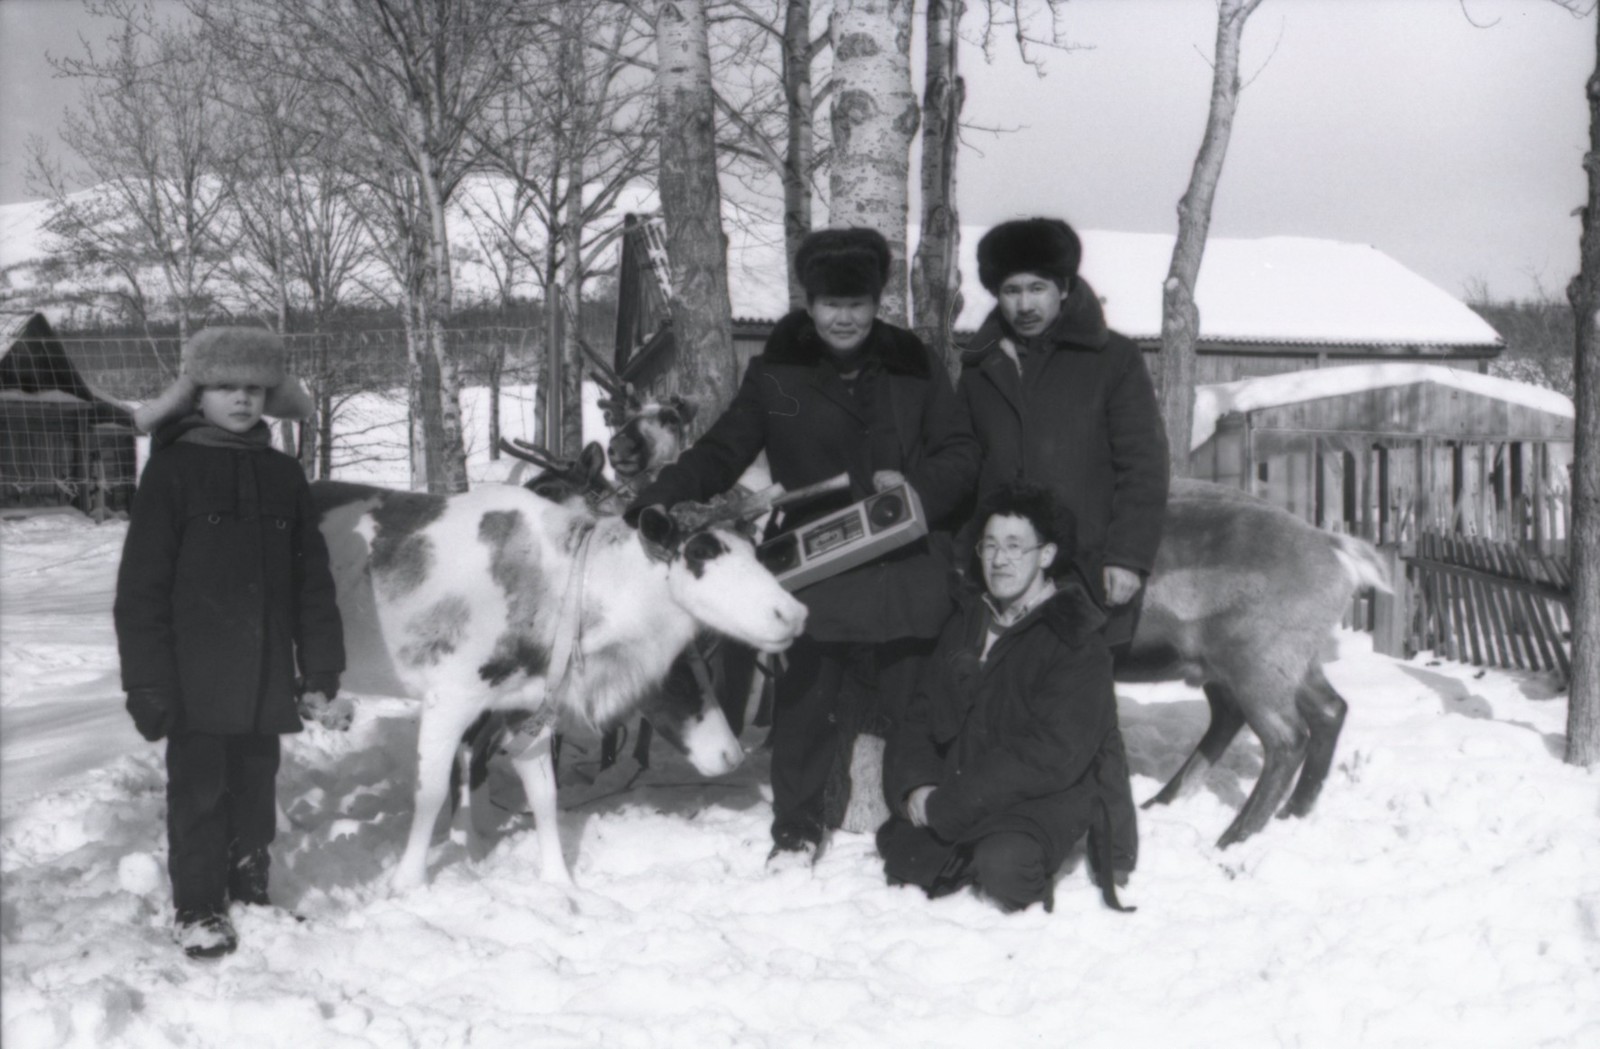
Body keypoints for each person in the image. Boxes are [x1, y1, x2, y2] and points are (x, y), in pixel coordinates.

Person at [628, 227, 979, 861]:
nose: (843, 317)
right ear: (810, 304)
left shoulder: (915, 364)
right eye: (829, 303)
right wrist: (661, 495)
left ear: (876, 303)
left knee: (916, 701)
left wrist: (919, 492)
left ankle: (925, 817)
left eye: (857, 303)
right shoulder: (776, 372)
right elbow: (723, 449)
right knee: (805, 700)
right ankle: (796, 826)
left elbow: (960, 449)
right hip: (815, 561)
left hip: (902, 554)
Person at [115, 328, 345, 959]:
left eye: (253, 388)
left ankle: (249, 889)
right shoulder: (172, 471)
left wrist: (321, 668)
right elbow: (141, 590)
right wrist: (148, 680)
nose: (241, 400)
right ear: (197, 394)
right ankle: (196, 905)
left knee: (255, 787)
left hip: (267, 671)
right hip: (195, 677)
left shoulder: (283, 473)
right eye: (225, 387)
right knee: (198, 793)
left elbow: (311, 582)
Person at [958, 217, 1170, 883]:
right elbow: (969, 468)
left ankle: (1113, 852)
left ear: (1065, 287)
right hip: (1004, 572)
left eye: (1038, 288)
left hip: (1084, 571)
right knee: (1012, 710)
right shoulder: (980, 365)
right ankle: (1019, 837)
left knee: (1089, 716)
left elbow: (1145, 465)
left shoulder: (1113, 359)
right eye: (1011, 290)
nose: (1024, 304)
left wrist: (1128, 558)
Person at [878, 481, 1131, 914]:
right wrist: (918, 784)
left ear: (1046, 556)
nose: (999, 559)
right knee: (905, 857)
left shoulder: (1076, 638)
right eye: (990, 545)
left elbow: (1054, 753)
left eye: (1015, 547)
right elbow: (921, 712)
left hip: (1046, 791)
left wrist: (954, 803)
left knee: (1005, 868)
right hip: (970, 780)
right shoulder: (968, 622)